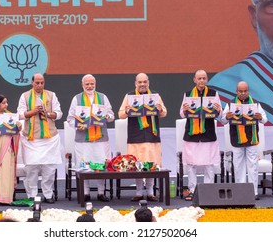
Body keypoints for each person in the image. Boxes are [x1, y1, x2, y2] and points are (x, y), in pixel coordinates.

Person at [118, 73, 167, 202]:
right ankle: (139, 191)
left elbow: (164, 113)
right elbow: (120, 114)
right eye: (140, 82)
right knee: (137, 164)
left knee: (151, 163)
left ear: (148, 82)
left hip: (152, 134)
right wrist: (127, 111)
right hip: (135, 135)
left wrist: (160, 109)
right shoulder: (129, 96)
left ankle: (150, 191)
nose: (142, 84)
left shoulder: (155, 96)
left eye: (144, 82)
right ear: (135, 83)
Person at [67, 74, 114, 202]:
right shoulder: (76, 99)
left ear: (95, 84)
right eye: (87, 84)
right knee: (84, 165)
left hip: (101, 138)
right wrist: (78, 126)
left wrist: (108, 117)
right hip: (83, 139)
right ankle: (85, 192)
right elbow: (70, 119)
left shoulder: (103, 97)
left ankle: (101, 192)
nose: (89, 86)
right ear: (82, 85)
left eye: (92, 84)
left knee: (101, 164)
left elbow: (111, 114)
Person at [17, 73, 63, 204]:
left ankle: (48, 195)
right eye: (37, 83)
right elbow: (20, 114)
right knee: (31, 168)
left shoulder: (51, 95)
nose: (40, 85)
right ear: (32, 83)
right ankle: (32, 194)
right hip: (31, 138)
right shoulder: (24, 96)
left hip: (50, 138)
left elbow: (59, 113)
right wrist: (33, 111)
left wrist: (47, 113)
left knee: (49, 169)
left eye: (42, 82)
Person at [221, 81, 268, 200]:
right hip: (236, 139)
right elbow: (223, 120)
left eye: (245, 91)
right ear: (236, 91)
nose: (243, 93)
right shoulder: (231, 104)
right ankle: (240, 191)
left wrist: (260, 117)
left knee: (253, 165)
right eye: (240, 91)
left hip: (252, 139)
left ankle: (253, 191)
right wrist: (227, 116)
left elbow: (265, 120)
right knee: (238, 166)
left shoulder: (255, 103)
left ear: (248, 91)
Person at [180, 70, 221, 201]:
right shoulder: (188, 94)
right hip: (191, 134)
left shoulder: (214, 94)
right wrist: (185, 109)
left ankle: (209, 190)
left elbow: (219, 113)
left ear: (207, 80)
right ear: (194, 80)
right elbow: (182, 113)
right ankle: (192, 190)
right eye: (199, 78)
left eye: (204, 78)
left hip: (208, 132)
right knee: (191, 164)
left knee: (209, 163)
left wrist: (218, 109)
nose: (201, 81)